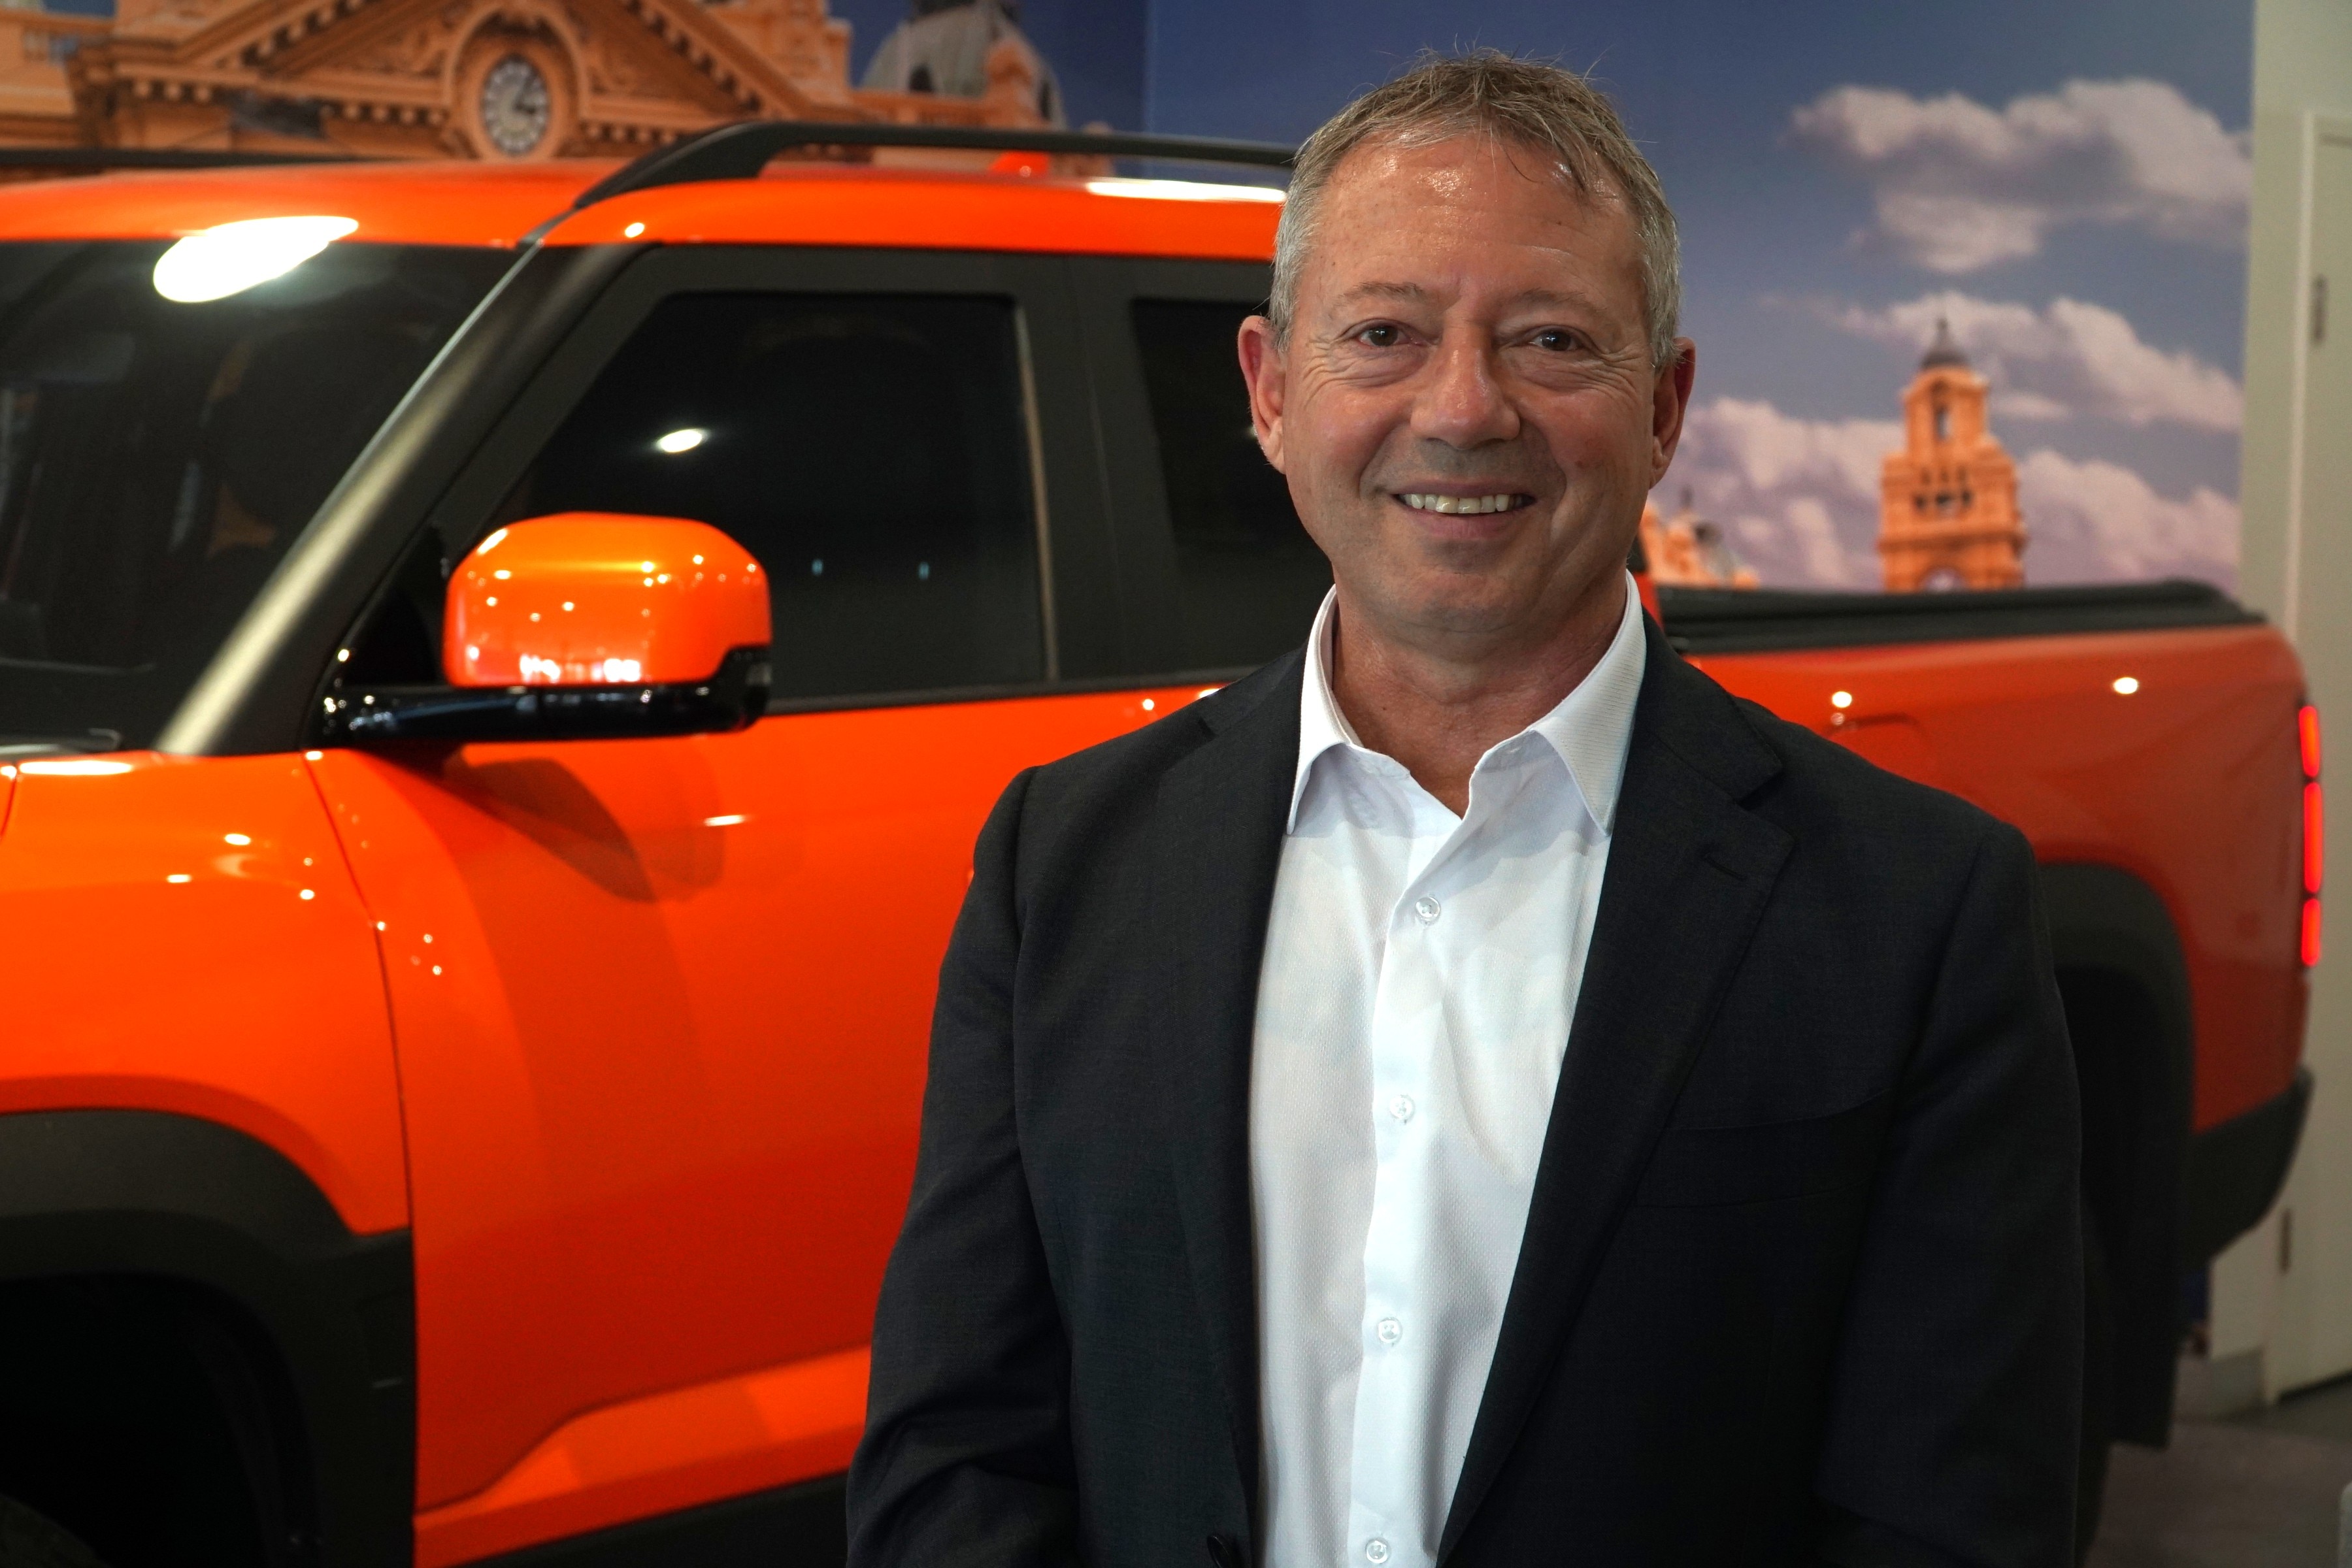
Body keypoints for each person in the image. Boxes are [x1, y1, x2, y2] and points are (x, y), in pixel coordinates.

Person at [846, 50, 2081, 1568]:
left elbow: (1948, 1523)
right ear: (1270, 394)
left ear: (1664, 409)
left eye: (1551, 339)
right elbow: (952, 1452)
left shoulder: (1914, 915)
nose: (1461, 407)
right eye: (1383, 333)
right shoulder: (1063, 864)